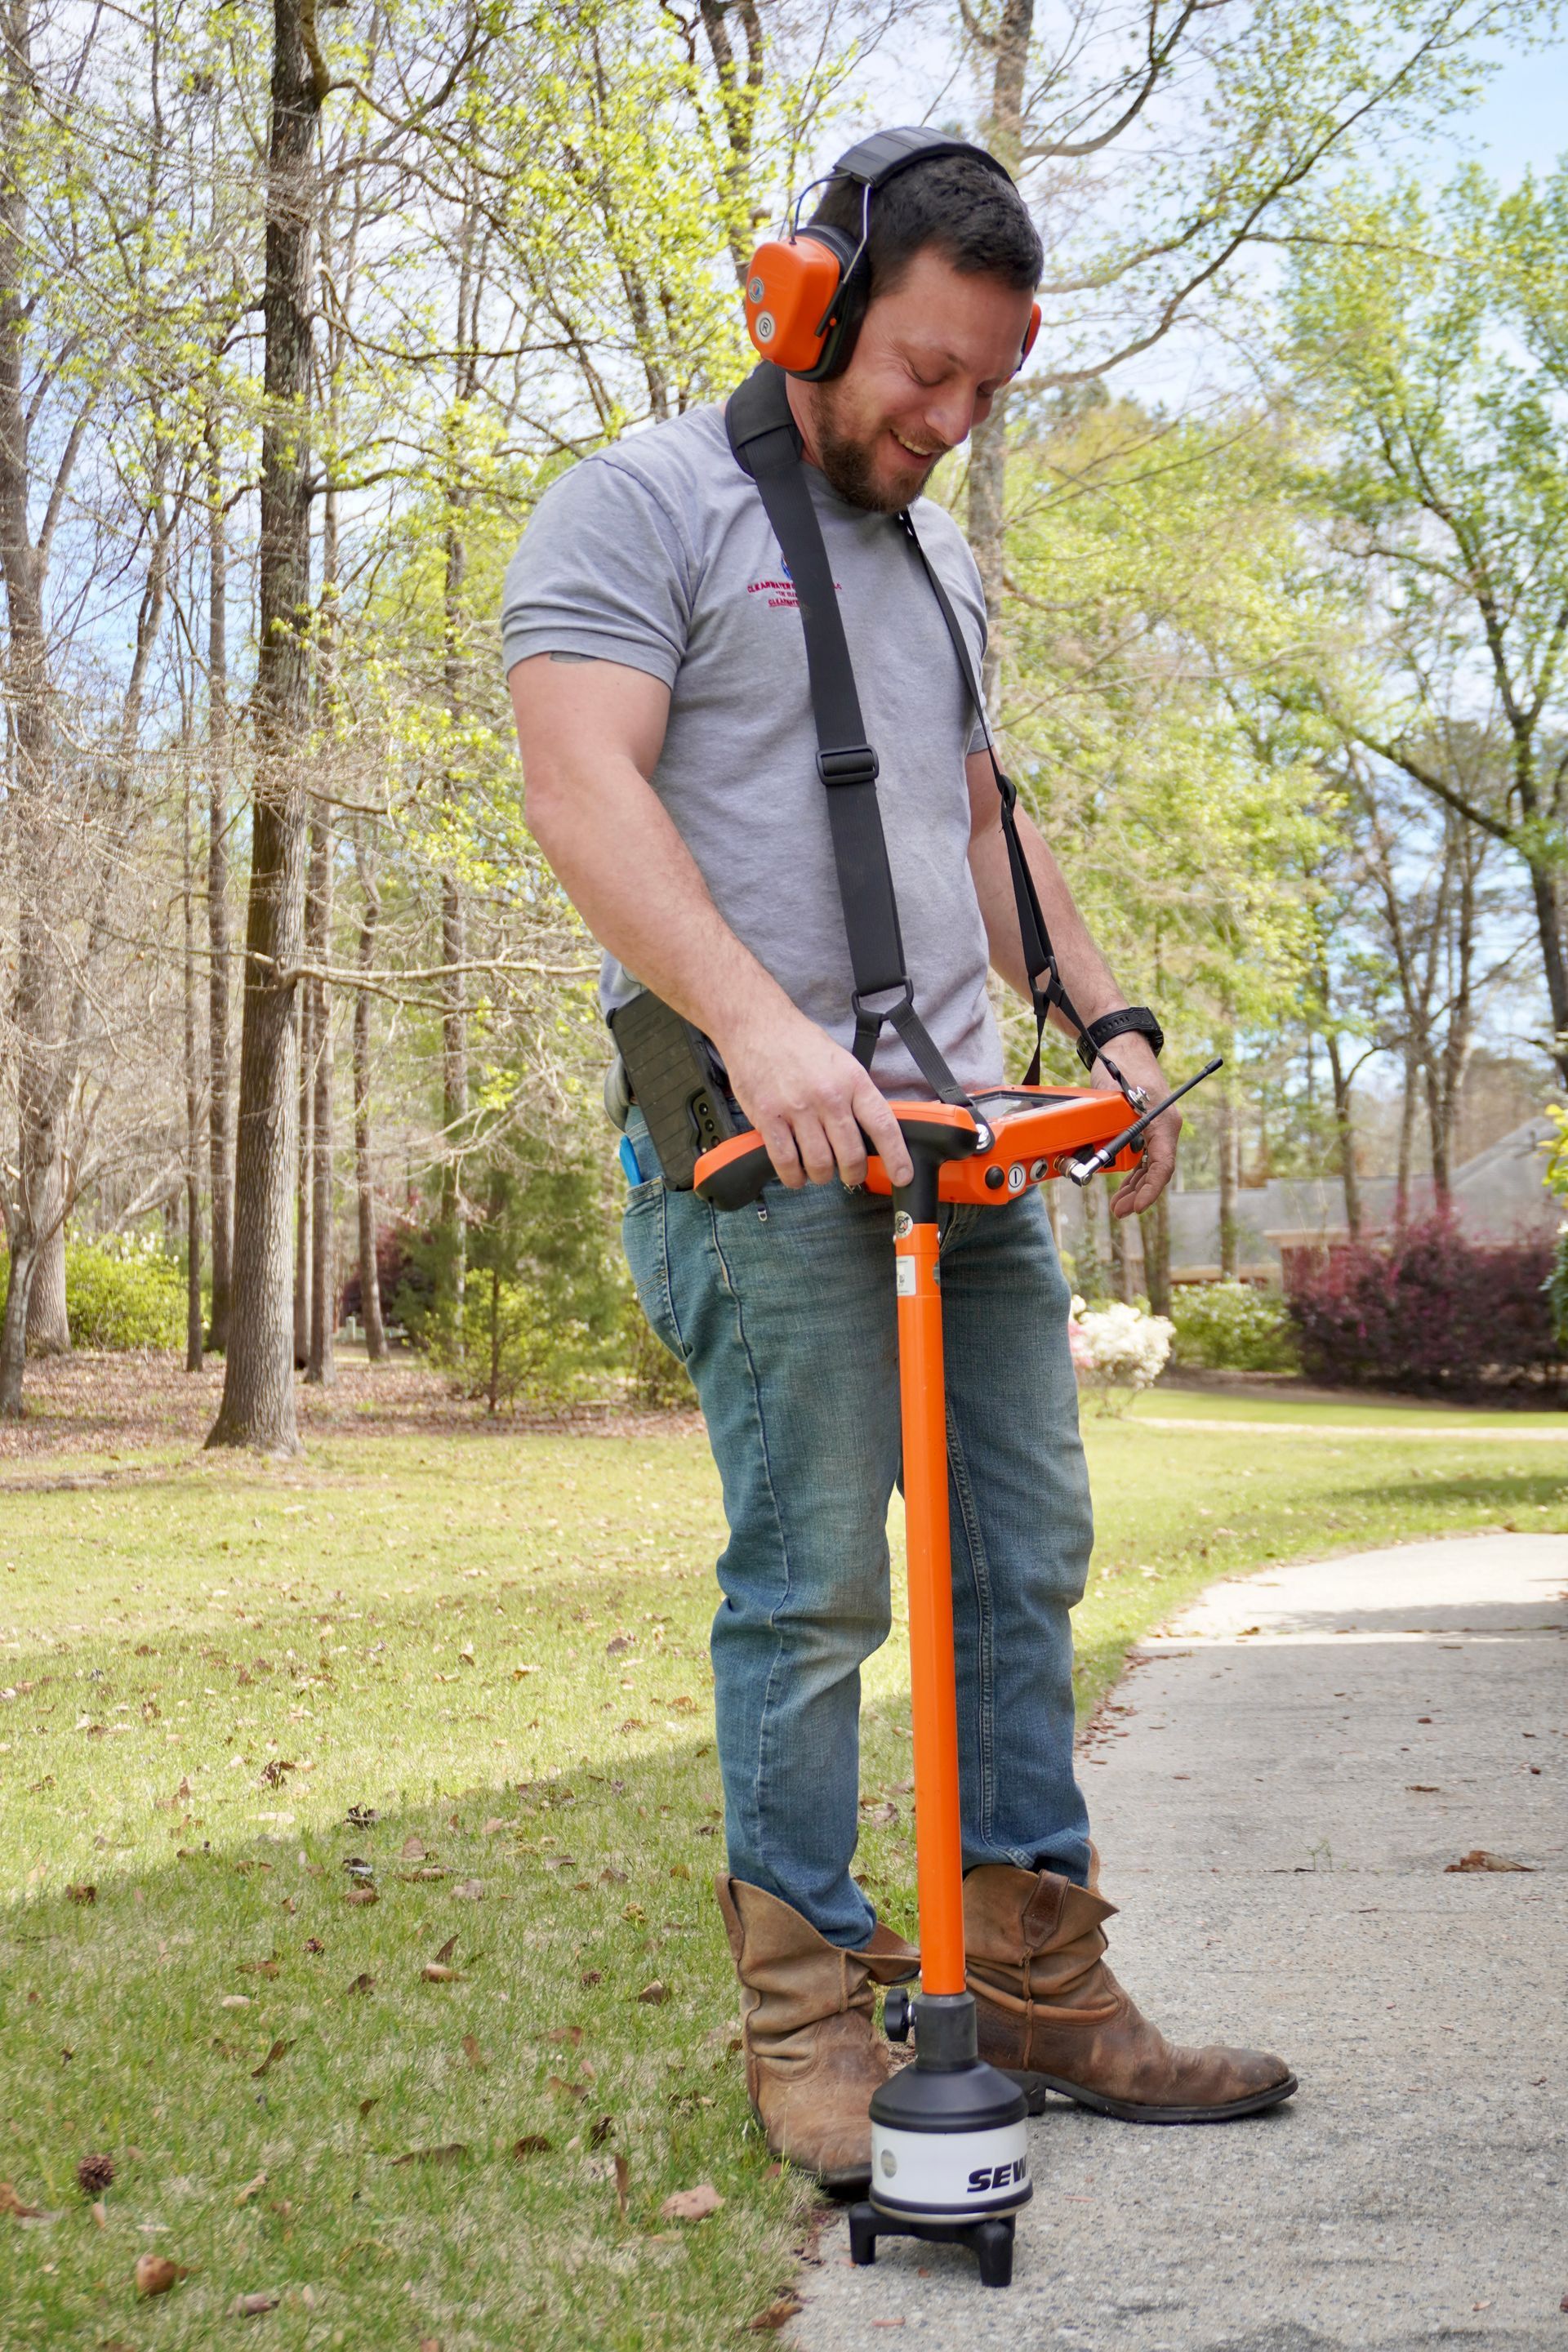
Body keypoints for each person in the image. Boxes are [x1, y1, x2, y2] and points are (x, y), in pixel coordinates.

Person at [504, 137, 1295, 2193]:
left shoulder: (936, 562)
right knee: (817, 1587)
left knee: (1022, 1557)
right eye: (922, 375)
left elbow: (970, 824)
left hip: (968, 1153)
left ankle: (1041, 1982)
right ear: (816, 306)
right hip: (762, 1165)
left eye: (981, 393)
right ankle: (808, 2020)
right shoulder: (644, 504)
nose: (943, 426)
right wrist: (762, 1029)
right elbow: (576, 779)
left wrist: (1103, 1026)